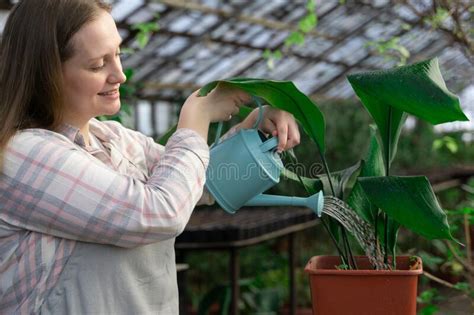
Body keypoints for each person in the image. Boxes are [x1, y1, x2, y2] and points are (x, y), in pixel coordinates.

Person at [0, 0, 300, 314]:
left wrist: (250, 131)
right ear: (45, 72)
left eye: (118, 55)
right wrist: (196, 115)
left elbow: (199, 182)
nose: (119, 75)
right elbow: (162, 212)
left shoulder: (115, 139)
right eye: (97, 64)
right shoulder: (21, 155)